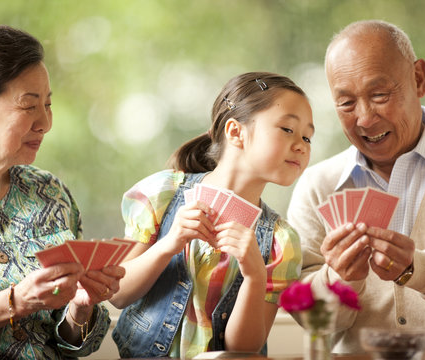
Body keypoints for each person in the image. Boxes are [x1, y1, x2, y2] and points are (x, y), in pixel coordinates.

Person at [287, 19, 425, 354]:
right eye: (346, 103)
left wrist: (416, 268)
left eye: (379, 95)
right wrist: (340, 281)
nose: (363, 118)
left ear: (418, 78)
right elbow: (308, 314)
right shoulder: (318, 185)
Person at [0, 25, 125, 359]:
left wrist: (80, 309)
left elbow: (75, 340)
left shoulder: (50, 194)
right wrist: (12, 302)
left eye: (48, 105)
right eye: (29, 106)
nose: (45, 122)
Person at [108, 72, 312, 358]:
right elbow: (117, 294)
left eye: (307, 137)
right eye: (288, 129)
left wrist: (254, 276)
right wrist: (169, 245)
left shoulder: (282, 241)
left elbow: (244, 349)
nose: (302, 144)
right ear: (235, 132)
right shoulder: (163, 194)